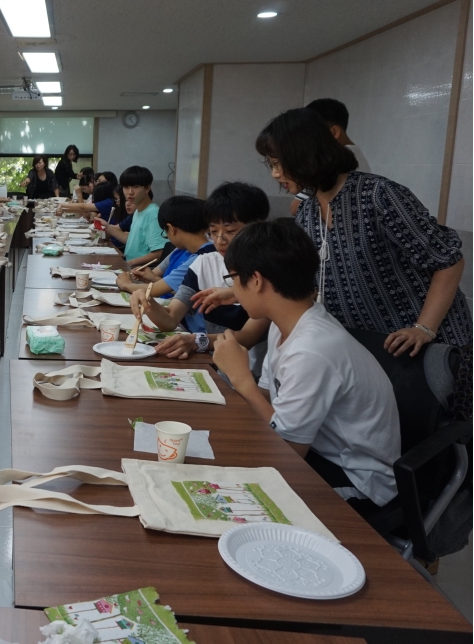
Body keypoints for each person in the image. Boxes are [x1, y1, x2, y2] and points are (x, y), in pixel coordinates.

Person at [212, 220, 400, 510]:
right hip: (315, 450)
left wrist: (242, 380)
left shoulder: (311, 349)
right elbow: (270, 401)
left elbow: (286, 450)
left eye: (233, 278)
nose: (233, 289)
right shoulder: (286, 322)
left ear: (257, 280)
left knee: (229, 497)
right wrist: (228, 383)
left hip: (355, 480)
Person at [258, 108, 471, 362]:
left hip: (426, 346)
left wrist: (423, 328)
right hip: (370, 347)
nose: (275, 174)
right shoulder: (307, 210)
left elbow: (448, 260)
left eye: (278, 163)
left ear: (303, 154)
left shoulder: (378, 195)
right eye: (271, 165)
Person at [133, 182, 270, 353]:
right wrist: (147, 301)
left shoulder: (270, 271)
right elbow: (170, 318)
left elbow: (246, 337)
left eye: (230, 230)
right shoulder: (204, 263)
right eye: (213, 231)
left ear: (256, 227)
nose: (220, 240)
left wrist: (197, 340)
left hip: (250, 372)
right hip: (214, 363)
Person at [117, 196, 212, 304]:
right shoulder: (180, 249)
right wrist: (151, 277)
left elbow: (153, 290)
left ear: (171, 229)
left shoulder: (202, 257)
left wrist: (126, 284)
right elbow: (154, 275)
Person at [288, 99, 375, 215]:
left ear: (334, 132)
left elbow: (296, 207)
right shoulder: (355, 154)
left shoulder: (337, 159)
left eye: (310, 134)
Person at [105, 166, 165, 266]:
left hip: (141, 272)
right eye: (126, 187)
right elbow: (133, 241)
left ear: (147, 188)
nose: (130, 192)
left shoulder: (153, 214)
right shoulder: (138, 211)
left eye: (136, 186)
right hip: (130, 267)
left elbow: (159, 253)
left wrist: (128, 263)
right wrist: (108, 227)